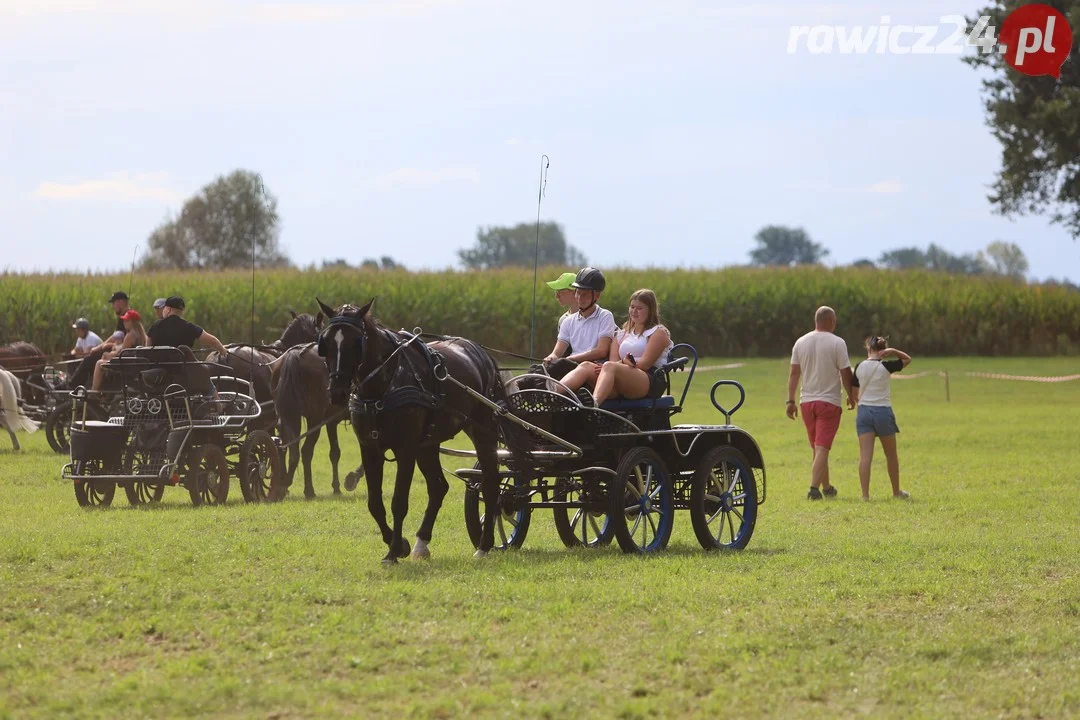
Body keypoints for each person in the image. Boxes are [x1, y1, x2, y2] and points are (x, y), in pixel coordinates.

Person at [786, 306, 855, 500]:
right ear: (831, 321)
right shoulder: (838, 343)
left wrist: (790, 400)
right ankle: (813, 490)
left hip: (806, 402)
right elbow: (845, 372)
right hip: (829, 402)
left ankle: (827, 488)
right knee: (822, 447)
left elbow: (794, 373)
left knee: (817, 448)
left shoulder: (800, 342)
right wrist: (851, 394)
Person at [561, 289, 673, 406]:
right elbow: (613, 362)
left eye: (639, 308)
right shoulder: (621, 334)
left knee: (609, 366)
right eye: (632, 307)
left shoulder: (658, 332)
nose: (634, 311)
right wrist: (617, 365)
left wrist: (620, 363)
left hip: (648, 379)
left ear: (650, 310)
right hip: (620, 380)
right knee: (586, 366)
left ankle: (594, 403)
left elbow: (645, 364)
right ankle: (552, 391)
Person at [851, 336, 912, 501]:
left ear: (868, 348)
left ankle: (865, 495)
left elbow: (855, 394)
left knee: (865, 456)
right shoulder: (886, 366)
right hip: (883, 412)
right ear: (883, 349)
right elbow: (907, 359)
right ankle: (896, 492)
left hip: (864, 412)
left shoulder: (859, 366)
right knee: (891, 455)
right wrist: (893, 352)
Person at [540, 267, 616, 380]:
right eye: (578, 293)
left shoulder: (605, 316)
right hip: (570, 366)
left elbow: (602, 351)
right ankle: (515, 388)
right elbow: (557, 353)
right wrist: (551, 358)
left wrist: (571, 359)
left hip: (591, 368)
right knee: (539, 368)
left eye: (585, 294)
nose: (580, 298)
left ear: (597, 296)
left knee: (559, 366)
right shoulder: (567, 321)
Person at [147, 296, 227, 355]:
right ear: (181, 312)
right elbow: (213, 341)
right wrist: (223, 351)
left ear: (168, 309)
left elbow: (148, 346)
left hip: (158, 369)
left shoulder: (155, 326)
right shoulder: (189, 327)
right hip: (182, 371)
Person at [90, 310, 147, 392]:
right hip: (132, 363)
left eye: (127, 320)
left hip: (126, 365)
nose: (124, 322)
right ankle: (106, 392)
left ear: (132, 322)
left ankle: (94, 391)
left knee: (99, 363)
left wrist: (109, 353)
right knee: (106, 357)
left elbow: (119, 354)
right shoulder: (141, 334)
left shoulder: (130, 335)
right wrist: (113, 348)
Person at [545, 271, 579, 354]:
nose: (557, 296)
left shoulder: (597, 316)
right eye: (556, 292)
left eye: (560, 291)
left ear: (574, 292)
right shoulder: (563, 320)